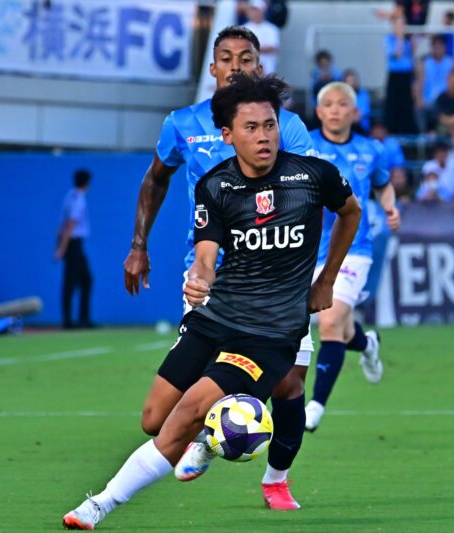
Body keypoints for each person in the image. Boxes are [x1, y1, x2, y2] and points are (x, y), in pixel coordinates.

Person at [62, 73, 362, 530]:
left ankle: (99, 504)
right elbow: (205, 256)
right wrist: (199, 281)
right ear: (227, 135)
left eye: (270, 125)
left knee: (186, 412)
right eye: (251, 128)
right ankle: (207, 430)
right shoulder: (216, 186)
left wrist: (326, 280)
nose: (263, 136)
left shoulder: (312, 175)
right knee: (153, 419)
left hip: (271, 332)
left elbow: (351, 212)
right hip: (216, 316)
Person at [122, 26, 315, 510]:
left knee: (289, 382)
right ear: (212, 69)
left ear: (258, 67)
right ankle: (211, 436)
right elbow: (155, 179)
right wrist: (138, 244)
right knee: (155, 420)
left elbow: (309, 195)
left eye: (245, 58)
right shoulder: (182, 123)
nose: (235, 66)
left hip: (275, 282)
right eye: (225, 57)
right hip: (208, 280)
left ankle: (276, 479)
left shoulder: (284, 126)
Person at [303, 82, 400, 432]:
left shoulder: (371, 149)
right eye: (327, 104)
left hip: (353, 249)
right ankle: (367, 342)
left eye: (342, 104)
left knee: (328, 323)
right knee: (338, 327)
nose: (334, 109)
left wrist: (390, 207)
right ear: (318, 111)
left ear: (354, 112)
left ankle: (315, 405)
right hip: (309, 249)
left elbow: (383, 183)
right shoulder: (305, 145)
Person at [54, 169, 93, 329]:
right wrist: (62, 248)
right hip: (73, 243)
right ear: (86, 183)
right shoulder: (78, 200)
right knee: (71, 282)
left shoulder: (70, 196)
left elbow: (62, 224)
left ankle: (82, 318)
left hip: (73, 243)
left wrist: (59, 244)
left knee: (86, 280)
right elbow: (70, 224)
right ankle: (69, 321)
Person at [383, 14, 417, 133]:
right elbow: (396, 55)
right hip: (395, 76)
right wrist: (400, 38)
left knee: (406, 105)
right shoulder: (389, 39)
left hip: (406, 76)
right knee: (393, 105)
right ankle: (391, 130)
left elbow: (411, 56)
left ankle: (406, 131)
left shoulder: (408, 40)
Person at [415, 35, 454, 133]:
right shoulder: (424, 63)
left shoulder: (451, 62)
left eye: (440, 46)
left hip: (446, 100)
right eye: (434, 46)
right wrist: (419, 99)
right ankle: (424, 135)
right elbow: (419, 82)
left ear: (444, 47)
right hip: (429, 101)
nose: (437, 49)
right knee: (419, 107)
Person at [244, 1, 280, 75]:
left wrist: (251, 48)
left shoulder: (272, 29)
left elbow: (273, 47)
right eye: (252, 10)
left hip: (267, 68)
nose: (254, 13)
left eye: (256, 10)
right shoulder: (243, 28)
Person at [343, 69, 372, 134]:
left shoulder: (363, 94)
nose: (352, 83)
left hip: (360, 128)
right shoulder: (340, 96)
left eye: (353, 80)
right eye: (349, 81)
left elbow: (358, 117)